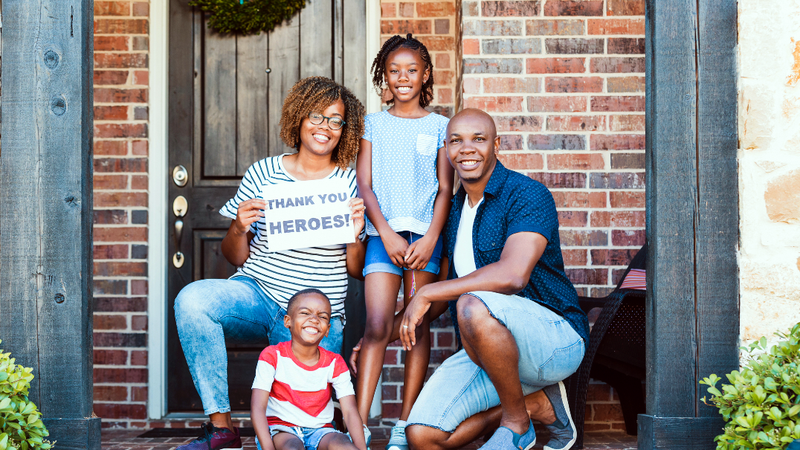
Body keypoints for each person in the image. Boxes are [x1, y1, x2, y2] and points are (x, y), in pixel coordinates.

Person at [174, 76, 367, 450]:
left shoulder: (349, 182)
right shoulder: (263, 173)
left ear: (345, 130)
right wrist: (238, 226)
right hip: (257, 294)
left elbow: (356, 269)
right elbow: (234, 256)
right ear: (298, 117)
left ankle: (326, 427)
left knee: (300, 428)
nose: (324, 127)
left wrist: (354, 233)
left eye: (336, 120)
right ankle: (222, 428)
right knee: (193, 301)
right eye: (316, 115)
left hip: (316, 308)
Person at [398, 108, 590, 450]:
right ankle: (533, 407)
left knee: (473, 302)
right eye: (456, 140)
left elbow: (513, 275)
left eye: (479, 139)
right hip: (488, 350)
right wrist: (386, 331)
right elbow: (445, 295)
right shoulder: (455, 210)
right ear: (447, 150)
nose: (466, 148)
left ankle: (517, 425)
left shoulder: (527, 194)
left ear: (496, 145)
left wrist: (427, 293)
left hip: (554, 341)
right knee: (422, 436)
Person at [354, 33, 454, 450]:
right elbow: (365, 184)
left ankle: (403, 424)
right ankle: (356, 427)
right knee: (378, 325)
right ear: (384, 75)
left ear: (425, 74)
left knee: (418, 322)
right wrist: (387, 232)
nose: (403, 78)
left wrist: (432, 237)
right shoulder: (372, 124)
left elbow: (446, 190)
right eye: (394, 71)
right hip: (383, 235)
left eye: (411, 70)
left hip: (424, 240)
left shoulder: (441, 126)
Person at [251, 289, 368, 450]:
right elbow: (258, 407)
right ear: (288, 321)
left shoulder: (335, 363)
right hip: (282, 430)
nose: (314, 319)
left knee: (343, 446)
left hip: (322, 431)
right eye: (305, 313)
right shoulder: (272, 356)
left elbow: (349, 411)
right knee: (293, 447)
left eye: (322, 316)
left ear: (327, 329)